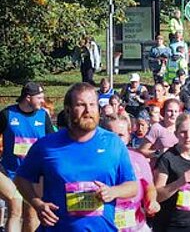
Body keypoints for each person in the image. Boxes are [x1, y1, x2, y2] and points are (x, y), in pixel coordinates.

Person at [14, 82, 138, 231]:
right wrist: (37, 204)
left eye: (92, 105)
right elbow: (21, 179)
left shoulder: (114, 143)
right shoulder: (46, 146)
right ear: (68, 110)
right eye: (81, 105)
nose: (88, 110)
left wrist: (113, 192)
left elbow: (132, 186)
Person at [0, 82, 55, 232]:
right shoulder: (7, 115)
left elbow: (52, 142)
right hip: (10, 171)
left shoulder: (43, 116)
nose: (43, 101)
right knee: (15, 209)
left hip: (34, 176)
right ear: (28, 98)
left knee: (31, 215)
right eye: (39, 98)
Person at [102, 113, 160, 232]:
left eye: (121, 135)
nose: (116, 139)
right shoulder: (93, 161)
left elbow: (149, 187)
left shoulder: (138, 159)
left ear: (128, 136)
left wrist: (151, 201)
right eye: (111, 135)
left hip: (136, 226)